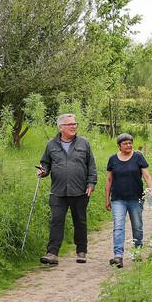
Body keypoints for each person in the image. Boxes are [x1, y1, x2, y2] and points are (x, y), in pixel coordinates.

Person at [37, 113, 97, 265]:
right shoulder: (51, 144)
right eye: (70, 124)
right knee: (56, 221)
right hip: (58, 191)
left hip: (80, 191)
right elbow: (46, 164)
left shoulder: (84, 143)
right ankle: (52, 253)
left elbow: (91, 165)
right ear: (60, 127)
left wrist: (91, 183)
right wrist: (43, 171)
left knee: (80, 221)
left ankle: (81, 251)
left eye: (75, 124)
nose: (73, 127)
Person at [104, 132, 152, 267]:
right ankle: (118, 256)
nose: (128, 145)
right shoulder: (113, 159)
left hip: (135, 198)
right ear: (119, 146)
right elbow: (109, 180)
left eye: (130, 142)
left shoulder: (138, 157)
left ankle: (137, 251)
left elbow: (147, 176)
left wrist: (151, 192)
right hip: (118, 199)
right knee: (118, 227)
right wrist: (106, 198)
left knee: (137, 226)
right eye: (125, 143)